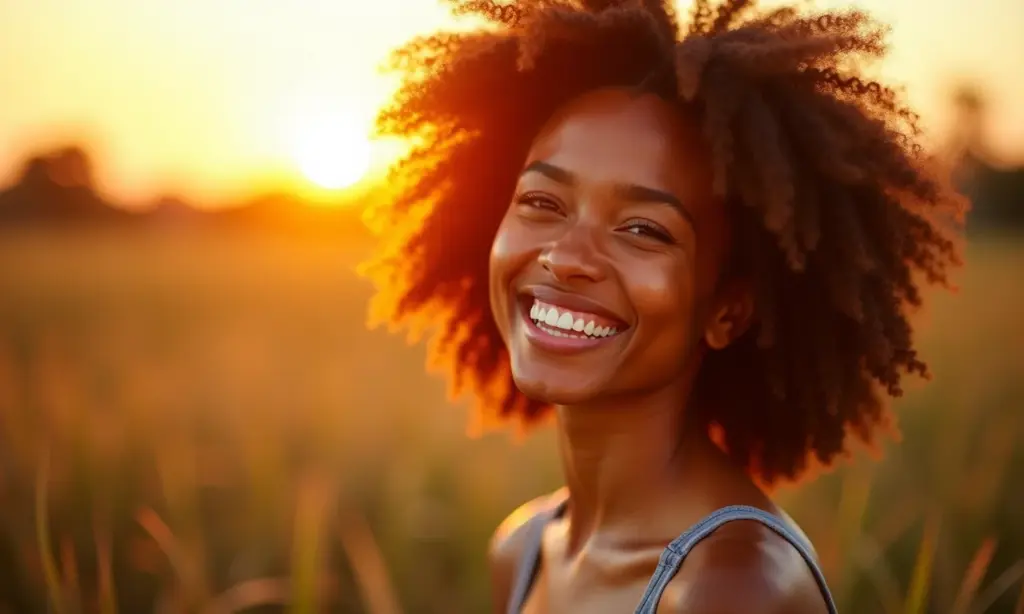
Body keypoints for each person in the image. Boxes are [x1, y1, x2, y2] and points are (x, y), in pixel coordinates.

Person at [363, 0, 965, 612]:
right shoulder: (522, 549)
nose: (567, 257)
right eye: (543, 202)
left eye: (644, 230)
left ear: (727, 310)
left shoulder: (731, 590)